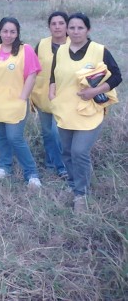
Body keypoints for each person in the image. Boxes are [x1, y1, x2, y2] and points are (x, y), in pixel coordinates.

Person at [49, 13, 121, 213]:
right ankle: (73, 184)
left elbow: (117, 76)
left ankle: (81, 194)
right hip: (65, 110)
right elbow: (54, 74)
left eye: (80, 28)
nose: (75, 31)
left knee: (79, 151)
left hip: (89, 111)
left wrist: (95, 91)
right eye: (71, 28)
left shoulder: (99, 50)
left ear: (87, 30)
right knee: (66, 151)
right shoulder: (61, 50)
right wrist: (51, 90)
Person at [0, 17, 42, 188]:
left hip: (16, 102)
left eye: (12, 31)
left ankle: (31, 173)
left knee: (14, 137)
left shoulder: (26, 50)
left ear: (17, 33)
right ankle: (4, 166)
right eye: (5, 31)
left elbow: (32, 74)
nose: (8, 35)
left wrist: (23, 98)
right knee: (1, 136)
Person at [31, 11, 69, 178]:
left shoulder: (74, 44)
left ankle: (62, 166)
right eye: (53, 24)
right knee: (48, 131)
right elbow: (32, 67)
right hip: (43, 95)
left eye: (61, 23)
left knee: (59, 132)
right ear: (49, 27)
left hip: (66, 97)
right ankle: (50, 162)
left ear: (67, 25)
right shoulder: (42, 44)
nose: (57, 27)